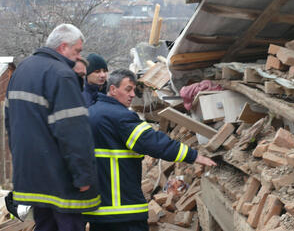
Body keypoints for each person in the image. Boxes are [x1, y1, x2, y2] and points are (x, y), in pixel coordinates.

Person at [85, 69, 217, 231]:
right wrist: (193, 155)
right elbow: (153, 142)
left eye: (134, 90)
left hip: (99, 210)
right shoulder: (120, 117)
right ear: (112, 90)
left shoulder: (91, 112)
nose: (133, 94)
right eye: (128, 89)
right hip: (123, 210)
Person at [5, 24, 101, 231]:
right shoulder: (62, 74)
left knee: (44, 225)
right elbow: (73, 131)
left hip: (30, 173)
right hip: (60, 178)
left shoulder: (22, 70)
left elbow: (9, 122)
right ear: (63, 47)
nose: (78, 57)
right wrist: (83, 175)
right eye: (77, 51)